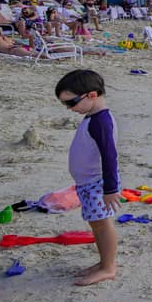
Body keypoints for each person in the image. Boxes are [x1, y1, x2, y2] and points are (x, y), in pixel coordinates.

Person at [55, 69, 121, 286]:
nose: (69, 108)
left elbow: (110, 156)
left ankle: (108, 268)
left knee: (103, 224)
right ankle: (104, 262)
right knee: (96, 224)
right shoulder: (92, 117)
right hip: (88, 183)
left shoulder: (100, 121)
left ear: (92, 95)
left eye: (71, 102)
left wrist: (110, 189)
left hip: (98, 184)